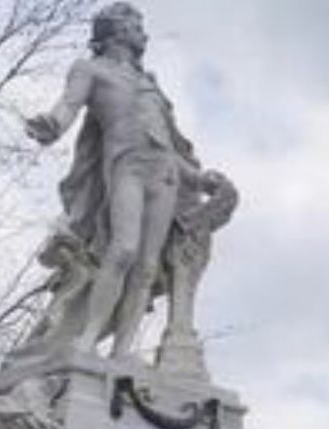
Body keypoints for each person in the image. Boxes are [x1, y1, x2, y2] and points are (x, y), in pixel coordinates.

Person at [23, 3, 201, 357]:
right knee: (122, 250)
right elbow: (68, 106)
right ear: (115, 31)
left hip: (164, 173)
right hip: (126, 167)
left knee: (148, 267)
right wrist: (52, 124)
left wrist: (198, 178)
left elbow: (169, 139)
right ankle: (86, 339)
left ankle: (122, 354)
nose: (143, 34)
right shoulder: (89, 69)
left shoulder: (150, 83)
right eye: (136, 26)